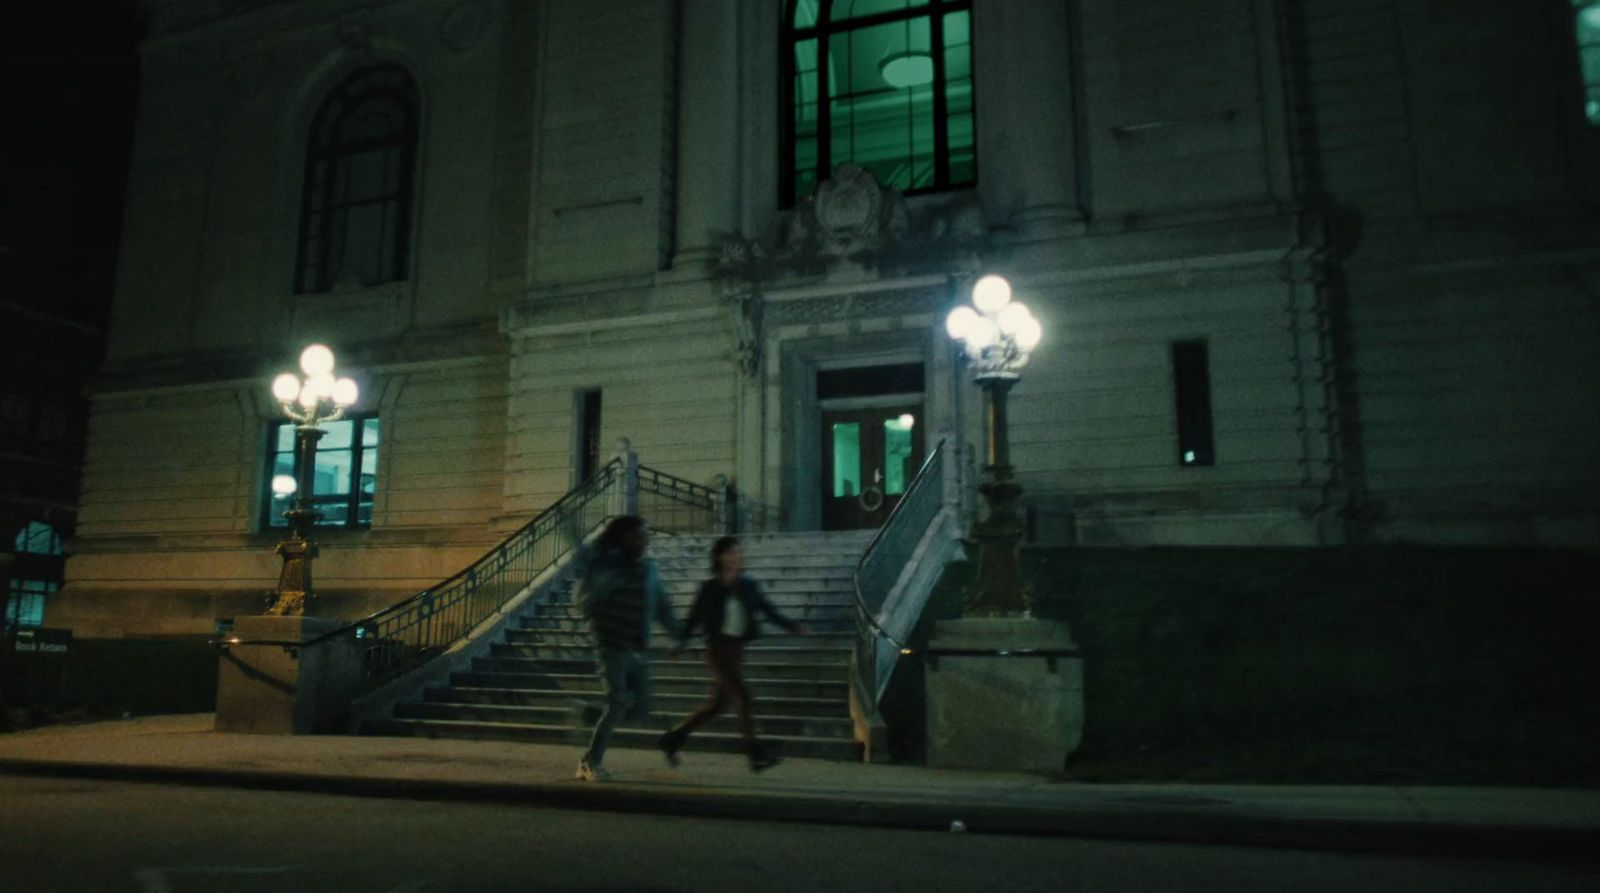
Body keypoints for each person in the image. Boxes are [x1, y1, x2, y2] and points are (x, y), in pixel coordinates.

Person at [658, 536, 807, 772]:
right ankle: (755, 754)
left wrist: (790, 625)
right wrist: (680, 644)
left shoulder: (748, 584)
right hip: (717, 649)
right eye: (731, 552)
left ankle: (674, 738)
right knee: (744, 697)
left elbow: (767, 609)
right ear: (719, 557)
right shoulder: (710, 587)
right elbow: (694, 618)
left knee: (717, 705)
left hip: (737, 649)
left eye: (739, 552)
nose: (737, 556)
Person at [574, 515, 679, 782]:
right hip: (612, 647)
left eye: (646, 536)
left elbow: (663, 607)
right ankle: (590, 762)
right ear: (624, 539)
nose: (645, 541)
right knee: (618, 701)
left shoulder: (649, 570)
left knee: (641, 710)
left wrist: (680, 635)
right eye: (639, 536)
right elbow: (587, 602)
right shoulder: (606, 567)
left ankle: (590, 713)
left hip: (638, 650)